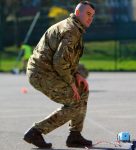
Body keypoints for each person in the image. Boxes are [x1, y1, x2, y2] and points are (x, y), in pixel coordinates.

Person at [23, 1, 95, 149]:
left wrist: (77, 76)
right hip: (42, 73)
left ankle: (75, 136)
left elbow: (65, 59)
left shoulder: (75, 28)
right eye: (87, 14)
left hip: (49, 71)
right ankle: (36, 132)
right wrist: (71, 82)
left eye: (92, 16)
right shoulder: (71, 30)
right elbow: (59, 62)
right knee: (74, 102)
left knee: (82, 90)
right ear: (77, 13)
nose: (90, 18)